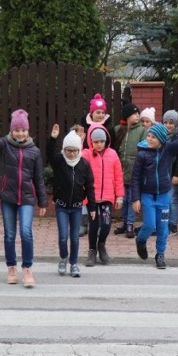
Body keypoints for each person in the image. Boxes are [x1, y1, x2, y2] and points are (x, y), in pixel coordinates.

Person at [0, 101, 48, 287]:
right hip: (8, 197)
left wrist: (42, 201)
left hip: (27, 198)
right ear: (12, 130)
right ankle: (11, 267)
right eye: (17, 130)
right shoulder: (4, 145)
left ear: (28, 131)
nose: (20, 133)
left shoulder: (34, 151)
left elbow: (39, 178)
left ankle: (27, 268)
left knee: (26, 232)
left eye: (23, 130)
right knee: (10, 234)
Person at [132, 110, 178, 269]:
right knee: (150, 225)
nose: (149, 139)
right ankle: (141, 240)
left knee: (163, 228)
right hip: (147, 195)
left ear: (162, 140)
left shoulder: (168, 149)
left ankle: (160, 255)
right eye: (149, 136)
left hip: (164, 195)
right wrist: (135, 198)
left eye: (153, 137)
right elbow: (136, 178)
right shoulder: (142, 154)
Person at [47, 125, 96, 277]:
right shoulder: (59, 161)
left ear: (79, 149)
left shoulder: (84, 164)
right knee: (63, 235)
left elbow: (89, 187)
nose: (72, 153)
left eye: (75, 150)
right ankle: (63, 258)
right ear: (64, 149)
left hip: (77, 207)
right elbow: (49, 153)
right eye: (69, 150)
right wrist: (53, 138)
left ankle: (73, 263)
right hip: (61, 206)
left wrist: (92, 207)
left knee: (74, 237)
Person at [82, 124, 124, 266]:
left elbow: (118, 176)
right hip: (92, 198)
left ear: (106, 141)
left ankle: (101, 244)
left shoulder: (112, 154)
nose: (99, 144)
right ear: (91, 141)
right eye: (96, 141)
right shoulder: (86, 154)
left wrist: (119, 196)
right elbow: (80, 174)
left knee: (106, 224)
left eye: (101, 141)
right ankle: (92, 251)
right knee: (93, 225)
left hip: (107, 197)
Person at [77, 93, 115, 237]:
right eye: (97, 112)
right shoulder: (84, 127)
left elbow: (113, 146)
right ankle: (83, 222)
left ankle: (99, 224)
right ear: (91, 113)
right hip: (88, 164)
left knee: (100, 197)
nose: (100, 115)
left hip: (103, 166)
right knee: (85, 193)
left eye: (102, 112)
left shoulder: (109, 127)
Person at [113, 99, 147, 238]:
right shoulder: (118, 129)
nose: (137, 116)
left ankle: (130, 224)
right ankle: (124, 221)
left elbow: (143, 150)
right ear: (127, 116)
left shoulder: (142, 130)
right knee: (123, 197)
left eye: (138, 113)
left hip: (134, 169)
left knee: (132, 198)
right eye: (134, 114)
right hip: (121, 168)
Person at [163, 109, 178, 235]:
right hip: (163, 172)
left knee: (172, 199)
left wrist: (176, 174)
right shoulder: (161, 135)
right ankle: (165, 223)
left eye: (171, 123)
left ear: (176, 124)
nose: (168, 125)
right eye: (166, 122)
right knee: (165, 199)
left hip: (172, 172)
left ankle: (173, 224)